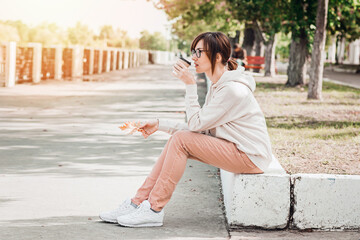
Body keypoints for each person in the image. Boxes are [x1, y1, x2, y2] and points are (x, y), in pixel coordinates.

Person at [99, 32, 274, 228]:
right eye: (193, 51)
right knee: (178, 140)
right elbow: (200, 129)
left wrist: (190, 86)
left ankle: (154, 209)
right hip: (237, 150)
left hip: (250, 156)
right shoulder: (219, 86)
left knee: (181, 140)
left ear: (217, 56)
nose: (193, 58)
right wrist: (159, 124)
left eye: (199, 52)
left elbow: (195, 126)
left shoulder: (232, 90)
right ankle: (137, 202)